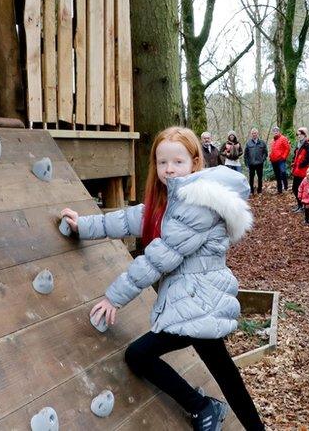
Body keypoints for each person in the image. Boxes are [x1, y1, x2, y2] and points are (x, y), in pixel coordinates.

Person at [60, 127, 265, 431]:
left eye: (178, 162)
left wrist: (114, 297)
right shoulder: (173, 201)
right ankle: (213, 410)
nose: (169, 169)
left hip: (199, 302)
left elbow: (160, 257)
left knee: (143, 355)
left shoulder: (198, 206)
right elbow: (129, 219)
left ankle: (204, 407)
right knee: (219, 370)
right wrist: (84, 225)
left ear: (195, 163)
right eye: (162, 162)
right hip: (194, 299)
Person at [291, 127, 309, 212]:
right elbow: (295, 155)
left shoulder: (308, 145)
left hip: (303, 170)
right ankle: (300, 205)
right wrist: (293, 162)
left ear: (304, 135)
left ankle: (303, 206)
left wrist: (301, 164)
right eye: (298, 134)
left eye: (300, 134)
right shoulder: (298, 144)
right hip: (297, 170)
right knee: (294, 188)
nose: (299, 136)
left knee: (301, 189)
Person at [244, 129, 268, 195]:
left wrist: (262, 160)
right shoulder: (248, 143)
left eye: (255, 133)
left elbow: (265, 153)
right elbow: (245, 154)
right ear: (251, 134)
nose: (254, 134)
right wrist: (247, 163)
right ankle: (251, 191)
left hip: (259, 164)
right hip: (251, 164)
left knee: (260, 178)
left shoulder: (262, 143)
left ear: (257, 134)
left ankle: (259, 190)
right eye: (253, 133)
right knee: (251, 178)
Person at [269, 127, 291, 193]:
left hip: (281, 159)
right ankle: (279, 189)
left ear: (279, 131)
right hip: (273, 160)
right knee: (277, 175)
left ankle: (286, 186)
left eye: (276, 131)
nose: (275, 132)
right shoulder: (272, 141)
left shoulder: (283, 138)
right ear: (273, 133)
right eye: (274, 131)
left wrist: (284, 157)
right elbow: (271, 150)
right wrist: (270, 156)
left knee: (283, 172)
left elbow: (287, 148)